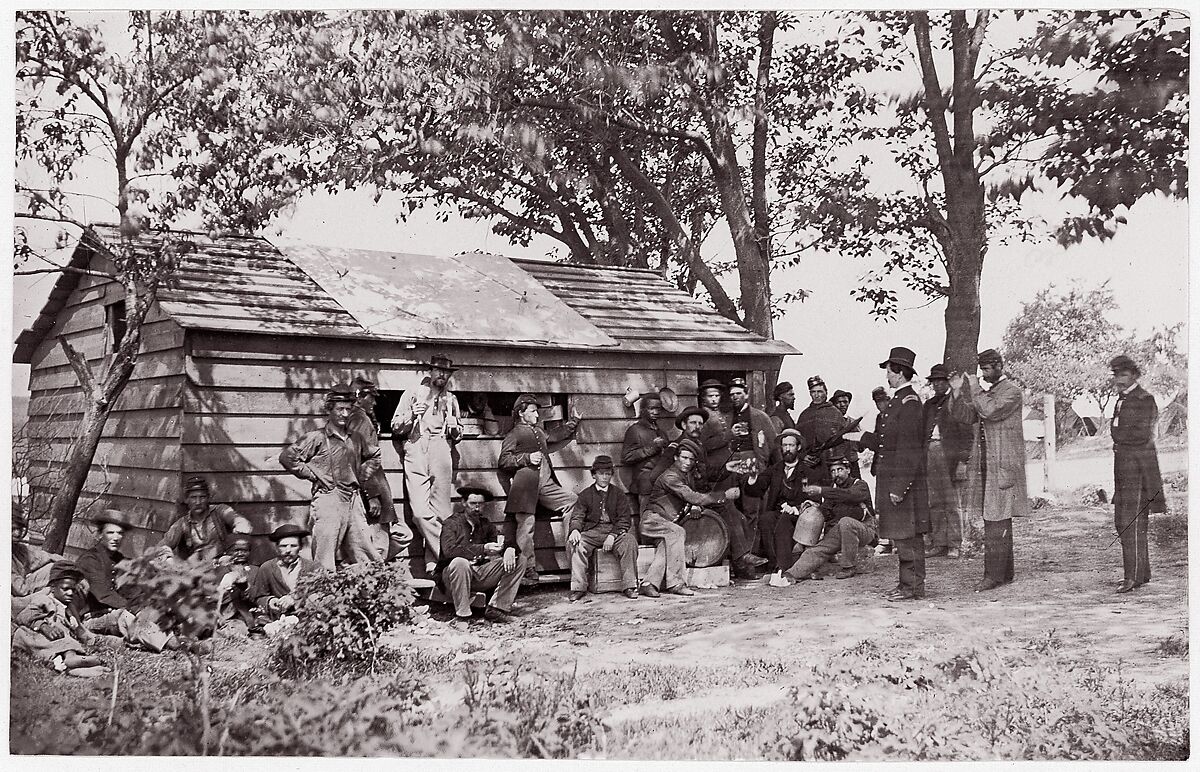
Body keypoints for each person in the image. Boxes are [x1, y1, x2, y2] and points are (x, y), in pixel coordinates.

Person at [949, 348, 1029, 592]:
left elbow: (990, 411)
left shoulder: (1012, 392)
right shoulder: (987, 393)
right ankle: (1004, 573)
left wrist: (974, 388)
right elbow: (965, 415)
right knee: (995, 517)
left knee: (996, 517)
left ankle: (993, 576)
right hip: (988, 464)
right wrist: (955, 390)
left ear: (999, 366)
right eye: (981, 369)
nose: (983, 374)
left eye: (986, 369)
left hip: (1003, 464)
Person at [279, 385, 382, 570]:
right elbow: (287, 457)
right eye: (339, 409)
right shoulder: (316, 437)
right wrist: (314, 475)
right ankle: (323, 595)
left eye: (348, 409)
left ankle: (369, 592)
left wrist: (362, 475)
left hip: (353, 499)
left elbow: (374, 456)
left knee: (364, 550)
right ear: (329, 410)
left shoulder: (356, 438)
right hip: (329, 498)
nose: (344, 414)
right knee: (325, 553)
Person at [859, 347, 929, 601]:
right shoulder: (899, 400)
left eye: (889, 370)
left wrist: (899, 488)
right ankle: (905, 584)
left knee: (908, 537)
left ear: (899, 373)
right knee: (902, 536)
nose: (886, 375)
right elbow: (887, 441)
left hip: (903, 483)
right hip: (895, 480)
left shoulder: (909, 403)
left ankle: (913, 587)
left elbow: (909, 451)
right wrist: (863, 437)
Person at [498, 393, 582, 586]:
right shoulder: (514, 434)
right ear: (521, 413)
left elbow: (556, 435)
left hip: (545, 485)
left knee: (572, 501)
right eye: (533, 412)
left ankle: (574, 557)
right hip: (525, 487)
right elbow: (503, 461)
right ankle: (528, 572)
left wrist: (574, 422)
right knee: (525, 528)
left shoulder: (538, 431)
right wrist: (526, 458)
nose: (537, 416)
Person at [391, 355, 464, 575]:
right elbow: (395, 426)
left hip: (441, 448)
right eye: (438, 371)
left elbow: (459, 432)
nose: (442, 375)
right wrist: (412, 415)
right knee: (421, 513)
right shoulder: (413, 394)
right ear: (430, 372)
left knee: (442, 512)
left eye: (447, 372)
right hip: (416, 446)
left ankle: (433, 566)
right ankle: (449, 556)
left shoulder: (450, 399)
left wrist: (454, 430)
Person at [645, 438, 735, 596]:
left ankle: (649, 583)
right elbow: (693, 496)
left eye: (691, 459)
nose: (687, 462)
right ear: (675, 458)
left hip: (666, 523)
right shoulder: (670, 477)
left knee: (666, 546)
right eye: (684, 458)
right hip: (653, 520)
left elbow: (694, 496)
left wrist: (696, 505)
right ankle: (676, 583)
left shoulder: (687, 476)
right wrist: (724, 495)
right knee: (678, 533)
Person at [75, 512, 177, 652]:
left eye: (120, 533)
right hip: (92, 618)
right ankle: (171, 643)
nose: (116, 538)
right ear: (99, 535)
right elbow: (104, 595)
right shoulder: (90, 560)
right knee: (128, 617)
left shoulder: (120, 560)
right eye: (110, 533)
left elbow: (131, 590)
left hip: (117, 613)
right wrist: (136, 610)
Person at [1108, 354, 1165, 593]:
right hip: (1123, 467)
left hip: (1139, 469)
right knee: (1124, 521)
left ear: (1134, 375)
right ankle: (1141, 572)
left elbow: (1141, 435)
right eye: (1116, 375)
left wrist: (1118, 438)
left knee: (1130, 521)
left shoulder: (1144, 399)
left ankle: (1133, 577)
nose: (1119, 380)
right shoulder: (1122, 399)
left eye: (1123, 375)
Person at [774, 455, 875, 584]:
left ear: (848, 470)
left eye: (839, 470)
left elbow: (849, 496)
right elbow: (825, 511)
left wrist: (822, 490)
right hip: (841, 530)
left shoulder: (860, 484)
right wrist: (812, 507)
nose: (836, 474)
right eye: (833, 471)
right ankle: (790, 574)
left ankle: (848, 567)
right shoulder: (833, 490)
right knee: (818, 549)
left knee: (846, 522)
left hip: (865, 530)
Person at [349, 377, 413, 563]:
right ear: (359, 397)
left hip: (378, 494)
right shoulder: (359, 420)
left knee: (399, 535)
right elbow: (360, 459)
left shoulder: (359, 418)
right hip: (373, 494)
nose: (375, 402)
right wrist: (372, 495)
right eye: (372, 398)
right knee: (379, 546)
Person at [439, 486, 523, 625]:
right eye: (473, 504)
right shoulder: (451, 523)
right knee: (460, 562)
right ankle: (463, 616)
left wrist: (510, 549)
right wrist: (483, 548)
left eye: (481, 504)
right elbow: (449, 551)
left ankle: (496, 608)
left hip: (478, 574)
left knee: (520, 560)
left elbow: (502, 540)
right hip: (453, 577)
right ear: (464, 503)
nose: (477, 508)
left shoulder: (485, 524)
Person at [744, 429, 825, 573]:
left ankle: (784, 567)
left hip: (800, 516)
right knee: (766, 519)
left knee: (784, 522)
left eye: (791, 445)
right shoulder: (775, 469)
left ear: (798, 447)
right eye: (784, 445)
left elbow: (815, 499)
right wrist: (752, 477)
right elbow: (756, 490)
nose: (787, 449)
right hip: (777, 512)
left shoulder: (808, 472)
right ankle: (773, 563)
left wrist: (796, 509)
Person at [13, 561, 113, 677]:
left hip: (58, 642)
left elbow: (82, 633)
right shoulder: (44, 599)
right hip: (38, 636)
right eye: (65, 589)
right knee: (51, 637)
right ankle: (71, 658)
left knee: (62, 643)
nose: (70, 593)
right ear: (53, 588)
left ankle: (73, 668)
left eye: (73, 590)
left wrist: (105, 642)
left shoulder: (70, 609)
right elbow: (24, 615)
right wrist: (43, 626)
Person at [567, 456, 639, 601]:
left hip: (613, 531)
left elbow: (624, 519)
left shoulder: (618, 494)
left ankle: (629, 585)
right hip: (592, 531)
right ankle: (579, 587)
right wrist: (575, 529)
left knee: (630, 541)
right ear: (594, 475)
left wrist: (612, 535)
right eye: (601, 474)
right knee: (575, 543)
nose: (605, 477)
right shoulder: (585, 494)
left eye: (608, 474)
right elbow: (577, 516)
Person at [922, 365, 973, 559]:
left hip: (949, 455)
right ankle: (939, 543)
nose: (938, 384)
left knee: (952, 502)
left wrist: (962, 461)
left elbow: (967, 434)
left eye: (942, 381)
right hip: (930, 452)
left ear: (948, 383)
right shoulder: (928, 405)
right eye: (934, 381)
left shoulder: (957, 402)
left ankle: (954, 543)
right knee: (934, 501)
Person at [157, 476, 253, 564]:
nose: (198, 502)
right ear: (186, 500)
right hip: (196, 570)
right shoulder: (182, 524)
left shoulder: (219, 511)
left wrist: (240, 525)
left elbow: (237, 519)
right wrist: (168, 558)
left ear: (208, 498)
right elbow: (163, 545)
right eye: (193, 498)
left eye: (202, 497)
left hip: (222, 564)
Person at [249, 524, 322, 620]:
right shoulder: (266, 568)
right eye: (283, 546)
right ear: (277, 548)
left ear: (300, 547)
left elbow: (321, 593)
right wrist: (269, 601)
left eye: (293, 546)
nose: (288, 550)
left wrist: (296, 599)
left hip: (307, 619)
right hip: (277, 619)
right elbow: (258, 597)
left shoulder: (313, 567)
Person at [622, 394, 673, 512]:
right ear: (643, 410)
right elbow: (626, 457)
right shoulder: (635, 430)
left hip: (663, 484)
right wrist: (652, 448)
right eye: (651, 408)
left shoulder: (661, 432)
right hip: (645, 483)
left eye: (658, 409)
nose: (655, 412)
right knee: (647, 520)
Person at [796, 375, 845, 480]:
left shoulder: (835, 413)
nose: (817, 395)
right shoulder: (804, 415)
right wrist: (803, 456)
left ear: (826, 393)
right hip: (810, 467)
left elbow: (843, 441)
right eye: (813, 392)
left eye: (820, 391)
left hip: (831, 466)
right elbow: (797, 441)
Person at [214, 536, 260, 633]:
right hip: (224, 614)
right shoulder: (220, 571)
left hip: (248, 613)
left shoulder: (256, 570)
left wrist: (245, 587)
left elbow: (257, 595)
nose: (240, 554)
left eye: (244, 550)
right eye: (236, 550)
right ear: (228, 552)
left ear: (250, 552)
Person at [829, 389, 862, 481]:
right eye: (839, 402)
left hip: (853, 464)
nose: (843, 405)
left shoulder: (854, 423)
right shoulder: (829, 423)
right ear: (834, 404)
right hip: (836, 466)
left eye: (845, 402)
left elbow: (861, 447)